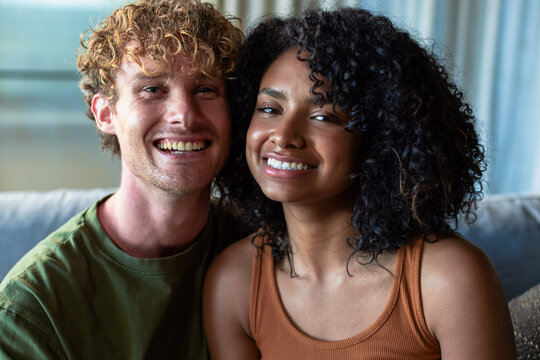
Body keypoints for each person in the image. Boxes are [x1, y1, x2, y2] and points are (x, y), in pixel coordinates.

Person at [203, 8, 517, 359]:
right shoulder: (234, 283)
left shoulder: (448, 279)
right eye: (270, 109)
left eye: (323, 116)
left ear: (380, 139)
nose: (284, 136)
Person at [0, 0, 243, 358]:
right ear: (105, 114)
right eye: (153, 89)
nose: (184, 115)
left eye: (206, 89)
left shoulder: (265, 247)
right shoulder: (32, 308)